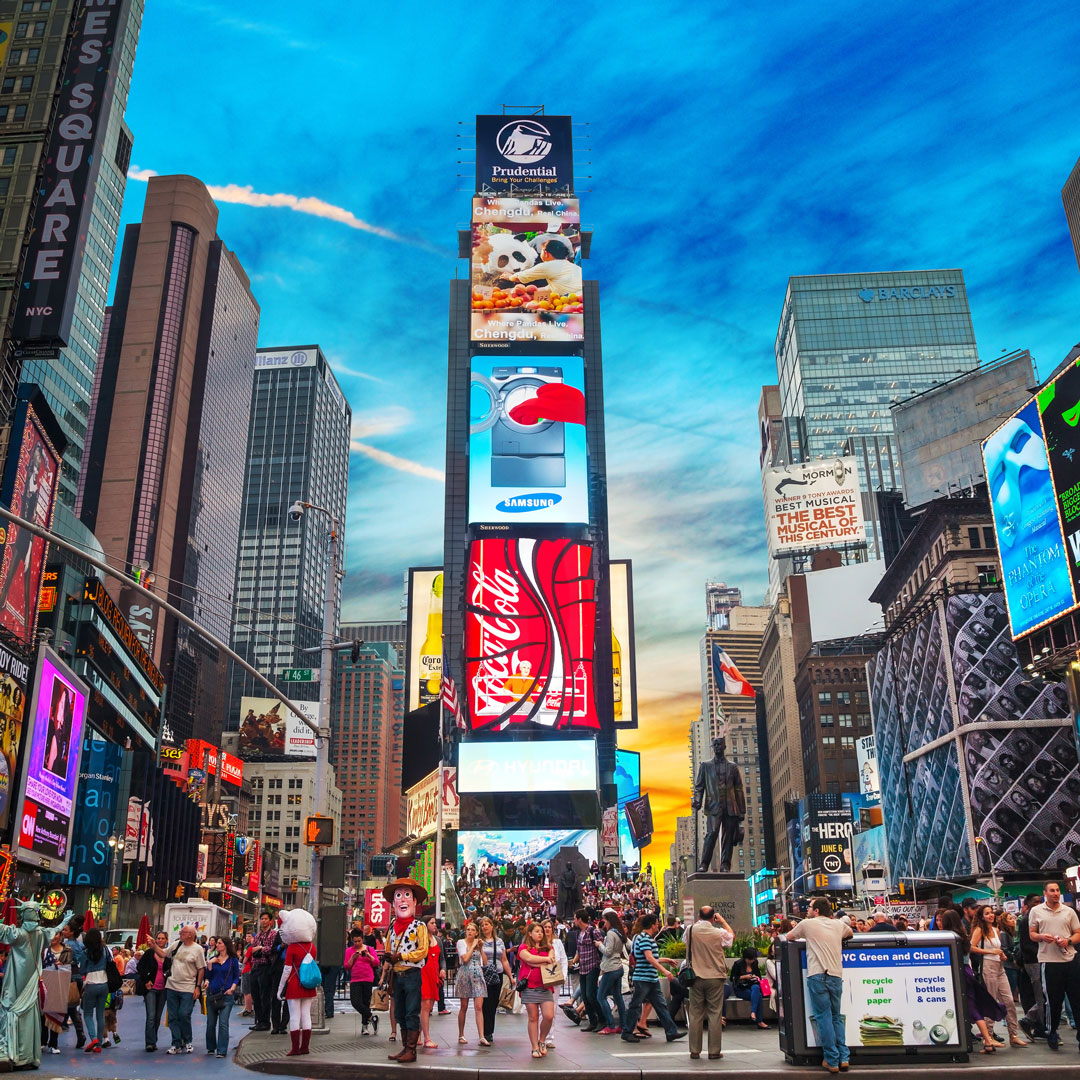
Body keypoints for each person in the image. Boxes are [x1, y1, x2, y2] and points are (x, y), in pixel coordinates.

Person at [787, 897, 853, 1074]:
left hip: (818, 974)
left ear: (816, 911)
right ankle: (844, 1057)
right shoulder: (838, 924)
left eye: (809, 907)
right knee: (836, 1017)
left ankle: (831, 1060)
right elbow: (850, 933)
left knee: (823, 1017)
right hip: (836, 975)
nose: (807, 909)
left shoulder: (808, 924)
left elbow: (789, 937)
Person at [938, 908, 1005, 1053]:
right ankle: (987, 1039)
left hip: (957, 973)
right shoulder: (962, 936)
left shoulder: (949, 937)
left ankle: (987, 1040)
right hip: (967, 972)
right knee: (971, 1005)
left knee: (971, 1008)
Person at [1028, 881, 1080, 1051]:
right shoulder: (1036, 911)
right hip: (1049, 962)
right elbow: (1032, 934)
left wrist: (1069, 941)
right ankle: (1051, 1032)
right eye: (1052, 890)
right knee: (1053, 1001)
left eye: (1057, 890)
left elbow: (1078, 933)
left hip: (1070, 959)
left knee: (1076, 999)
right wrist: (1042, 936)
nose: (1056, 893)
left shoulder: (1069, 911)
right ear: (1045, 893)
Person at [383, 878, 430, 1064]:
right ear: (394, 902)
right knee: (400, 1013)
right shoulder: (392, 926)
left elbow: (422, 950)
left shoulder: (419, 926)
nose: (403, 900)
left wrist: (401, 956)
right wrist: (388, 957)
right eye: (398, 896)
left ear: (415, 901)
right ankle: (405, 1048)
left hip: (411, 975)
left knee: (412, 1011)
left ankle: (411, 1049)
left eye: (407, 895)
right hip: (397, 975)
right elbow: (388, 945)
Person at [620, 913, 685, 1044]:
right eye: (656, 923)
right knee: (636, 1005)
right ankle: (627, 1032)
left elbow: (649, 957)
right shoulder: (645, 939)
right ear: (651, 925)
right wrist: (665, 970)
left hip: (650, 978)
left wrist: (665, 960)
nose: (658, 925)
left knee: (660, 1005)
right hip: (643, 978)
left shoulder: (646, 938)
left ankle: (671, 1031)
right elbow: (649, 958)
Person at [971, 906, 1026, 1047]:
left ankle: (1013, 1034)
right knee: (991, 1000)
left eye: (991, 913)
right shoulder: (979, 930)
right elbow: (971, 947)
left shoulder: (996, 930)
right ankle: (988, 1036)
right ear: (982, 916)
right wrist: (989, 952)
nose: (990, 916)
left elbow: (997, 948)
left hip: (999, 967)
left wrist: (1001, 954)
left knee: (1009, 1001)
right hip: (988, 967)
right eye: (987, 913)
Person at [686, 906, 733, 1060]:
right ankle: (714, 1051)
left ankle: (694, 1050)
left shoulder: (690, 930)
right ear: (714, 918)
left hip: (696, 976)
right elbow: (731, 938)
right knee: (715, 1013)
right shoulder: (719, 933)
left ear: (698, 916)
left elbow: (685, 943)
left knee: (696, 1013)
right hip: (715, 976)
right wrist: (723, 921)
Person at [151, 924, 206, 1054]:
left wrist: (198, 986)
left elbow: (201, 968)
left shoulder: (197, 949)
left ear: (191, 935)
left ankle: (187, 1041)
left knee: (184, 1014)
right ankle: (175, 1043)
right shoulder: (177, 945)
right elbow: (163, 953)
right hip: (172, 985)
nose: (180, 933)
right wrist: (154, 945)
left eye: (184, 932)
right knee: (172, 1017)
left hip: (188, 986)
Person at [277, 909, 319, 1057]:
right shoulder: (311, 947)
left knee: (295, 1016)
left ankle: (295, 1048)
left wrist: (280, 989)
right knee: (306, 1015)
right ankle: (305, 1047)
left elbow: (287, 970)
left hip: (294, 984)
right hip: (308, 984)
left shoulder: (292, 948)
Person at [518, 921, 556, 1058]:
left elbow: (551, 959)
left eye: (541, 931)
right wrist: (544, 960)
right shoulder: (523, 947)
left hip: (546, 986)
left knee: (549, 1016)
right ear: (530, 933)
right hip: (529, 986)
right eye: (537, 931)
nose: (540, 933)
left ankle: (542, 1040)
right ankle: (534, 1046)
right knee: (533, 1017)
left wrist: (537, 960)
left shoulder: (549, 947)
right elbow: (527, 958)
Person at [477, 915, 511, 1046]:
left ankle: (489, 1030)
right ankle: (485, 1032)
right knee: (485, 1004)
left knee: (494, 1003)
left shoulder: (499, 941)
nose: (484, 927)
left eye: (487, 924)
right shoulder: (479, 941)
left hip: (498, 974)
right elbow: (481, 959)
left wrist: (510, 976)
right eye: (482, 925)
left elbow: (504, 960)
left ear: (492, 926)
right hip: (484, 974)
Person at [205, 936, 240, 1058]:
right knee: (210, 1023)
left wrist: (232, 989)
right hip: (212, 994)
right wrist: (210, 964)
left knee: (223, 1023)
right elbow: (208, 975)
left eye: (219, 943)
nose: (217, 944)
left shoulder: (233, 960)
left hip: (226, 995)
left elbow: (236, 976)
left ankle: (222, 1049)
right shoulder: (212, 959)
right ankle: (210, 1047)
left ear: (225, 945)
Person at [1017, 893, 1046, 1039]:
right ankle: (1029, 1020)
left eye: (1040, 901)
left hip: (1039, 960)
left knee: (1043, 995)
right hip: (1034, 962)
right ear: (1028, 904)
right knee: (1042, 996)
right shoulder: (1027, 919)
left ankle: (1038, 1026)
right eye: (1035, 902)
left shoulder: (1036, 917)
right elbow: (1026, 946)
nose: (1039, 903)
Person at [78, 928, 110, 1054]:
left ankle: (94, 1038)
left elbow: (82, 971)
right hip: (104, 983)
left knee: (87, 1014)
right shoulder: (105, 951)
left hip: (91, 984)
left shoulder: (85, 953)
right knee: (100, 1015)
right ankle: (99, 1045)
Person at [137, 931, 170, 1052]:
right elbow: (139, 967)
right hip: (151, 988)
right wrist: (146, 980)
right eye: (158, 938)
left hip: (163, 989)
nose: (160, 940)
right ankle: (150, 1042)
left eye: (162, 938)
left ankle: (154, 1039)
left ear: (167, 940)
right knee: (150, 1016)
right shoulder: (149, 953)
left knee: (157, 1017)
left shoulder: (168, 954)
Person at [572, 909, 604, 1032]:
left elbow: (600, 946)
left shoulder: (593, 931)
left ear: (579, 919)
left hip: (593, 965)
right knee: (585, 996)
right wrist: (573, 962)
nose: (574, 921)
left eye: (575, 918)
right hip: (583, 967)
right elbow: (579, 951)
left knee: (591, 994)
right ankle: (593, 1021)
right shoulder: (578, 933)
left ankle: (602, 1019)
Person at [454, 922, 486, 1045]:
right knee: (464, 1006)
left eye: (472, 930)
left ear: (477, 932)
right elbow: (465, 959)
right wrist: (472, 946)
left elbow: (484, 961)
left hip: (477, 975)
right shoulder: (461, 943)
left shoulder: (478, 944)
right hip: (465, 975)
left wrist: (480, 948)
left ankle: (481, 1036)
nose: (470, 931)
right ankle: (461, 1034)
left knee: (479, 1007)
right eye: (468, 929)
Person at [597, 909, 627, 1035]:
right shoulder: (620, 933)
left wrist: (599, 945)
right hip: (619, 967)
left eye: (605, 921)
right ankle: (623, 1025)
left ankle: (610, 1024)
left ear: (609, 921)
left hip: (610, 968)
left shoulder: (610, 934)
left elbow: (608, 951)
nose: (604, 924)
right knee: (618, 997)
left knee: (601, 996)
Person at [723, 947, 769, 1029]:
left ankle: (753, 1013)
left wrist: (754, 976)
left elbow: (759, 976)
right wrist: (744, 977)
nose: (751, 961)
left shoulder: (755, 963)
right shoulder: (738, 964)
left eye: (753, 959)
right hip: (741, 988)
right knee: (758, 995)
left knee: (756, 988)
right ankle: (760, 1021)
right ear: (745, 958)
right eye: (750, 959)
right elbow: (732, 978)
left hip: (752, 986)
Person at [344, 929, 379, 1035]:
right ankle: (372, 1017)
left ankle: (365, 1026)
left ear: (362, 939)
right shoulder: (349, 951)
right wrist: (352, 958)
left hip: (368, 978)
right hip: (355, 979)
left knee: (365, 1003)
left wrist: (368, 955)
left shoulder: (369, 949)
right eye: (355, 941)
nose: (357, 943)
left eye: (359, 941)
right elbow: (346, 966)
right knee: (355, 1002)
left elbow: (376, 963)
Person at [249, 912, 276, 1032]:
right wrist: (256, 949)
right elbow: (252, 949)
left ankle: (265, 1021)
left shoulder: (273, 934)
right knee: (255, 994)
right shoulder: (258, 935)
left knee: (265, 995)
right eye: (262, 919)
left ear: (270, 921)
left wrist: (261, 948)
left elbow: (272, 949)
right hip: (256, 966)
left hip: (266, 966)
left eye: (266, 919)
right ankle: (259, 1020)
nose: (263, 921)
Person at [418, 916, 442, 1050]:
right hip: (424, 974)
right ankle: (427, 1038)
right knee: (425, 1007)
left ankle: (418, 1035)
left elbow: (440, 958)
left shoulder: (436, 939)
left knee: (428, 1007)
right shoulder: (422, 939)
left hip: (434, 974)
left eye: (435, 923)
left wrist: (442, 970)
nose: (435, 925)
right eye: (432, 923)